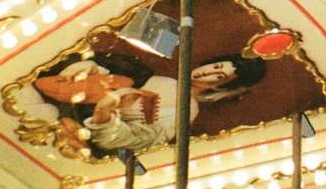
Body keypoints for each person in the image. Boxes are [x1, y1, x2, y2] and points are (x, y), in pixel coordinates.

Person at [33, 50, 266, 156]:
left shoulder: (185, 114)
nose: (207, 74)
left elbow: (132, 141)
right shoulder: (155, 76)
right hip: (72, 99)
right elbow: (110, 76)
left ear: (219, 87)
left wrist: (106, 110)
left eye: (219, 77)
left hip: (86, 129)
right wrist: (92, 68)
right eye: (215, 67)